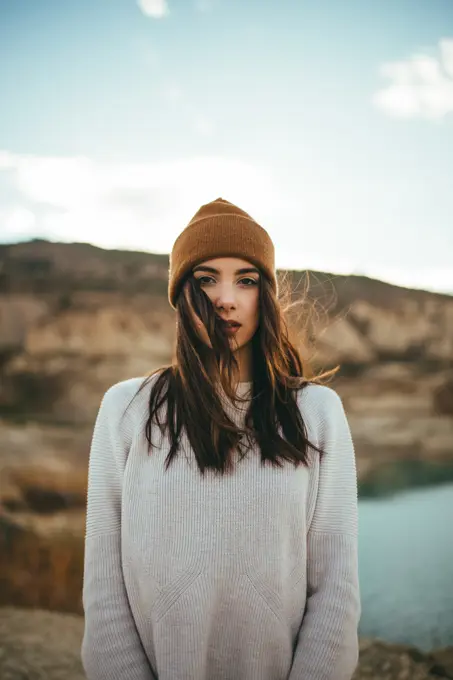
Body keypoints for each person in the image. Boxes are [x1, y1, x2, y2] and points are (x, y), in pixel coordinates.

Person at [81, 197, 361, 680]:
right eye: (206, 279)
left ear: (265, 296)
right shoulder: (126, 409)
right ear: (180, 293)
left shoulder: (316, 413)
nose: (225, 299)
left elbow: (335, 591)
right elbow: (104, 591)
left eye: (246, 280)